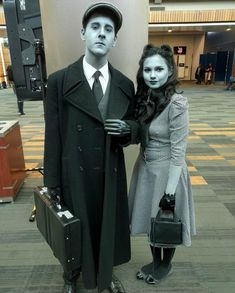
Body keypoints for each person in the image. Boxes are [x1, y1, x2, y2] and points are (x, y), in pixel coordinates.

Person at [43, 2, 139, 293]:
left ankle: (105, 273)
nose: (101, 34)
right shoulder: (59, 81)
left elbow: (135, 124)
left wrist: (129, 130)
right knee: (73, 228)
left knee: (106, 223)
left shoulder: (124, 85)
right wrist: (52, 183)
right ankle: (71, 275)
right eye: (95, 27)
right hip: (74, 171)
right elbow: (53, 136)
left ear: (115, 40)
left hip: (110, 170)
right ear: (83, 33)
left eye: (108, 29)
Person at [128, 44, 196, 285]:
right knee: (150, 218)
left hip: (169, 170)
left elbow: (179, 152)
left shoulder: (177, 103)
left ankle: (165, 265)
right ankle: (155, 261)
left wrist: (170, 191)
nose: (153, 75)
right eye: (148, 70)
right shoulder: (144, 97)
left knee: (167, 219)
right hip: (146, 167)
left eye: (159, 69)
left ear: (170, 71)